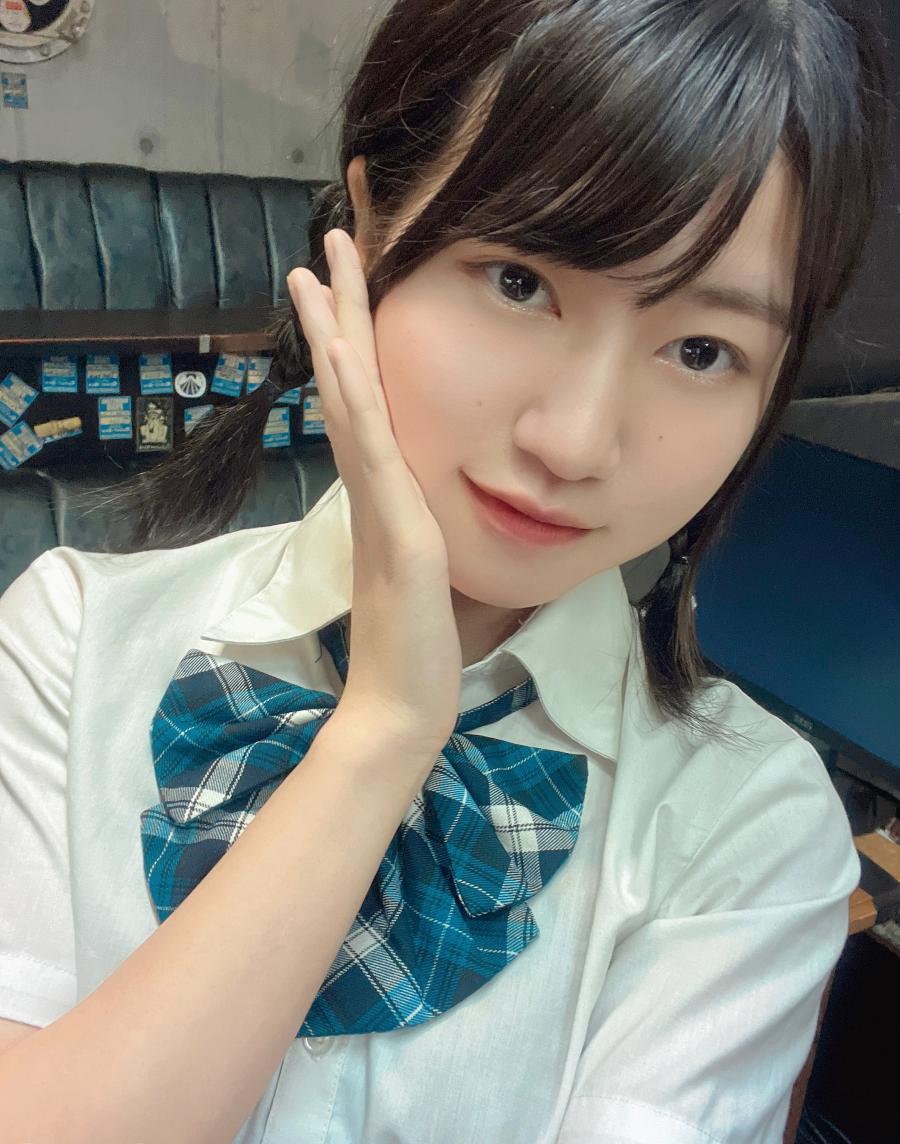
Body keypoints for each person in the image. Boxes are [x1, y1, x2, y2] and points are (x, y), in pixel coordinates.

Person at [0, 1, 889, 1141]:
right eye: (519, 280)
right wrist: (381, 733)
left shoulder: (750, 828)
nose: (575, 441)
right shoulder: (71, 642)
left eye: (703, 349)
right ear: (367, 231)